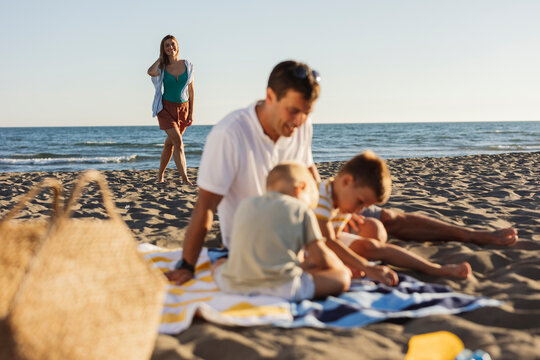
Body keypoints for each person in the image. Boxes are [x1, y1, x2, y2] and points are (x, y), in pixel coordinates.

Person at [314, 151, 472, 280]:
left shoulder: (344, 200)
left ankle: (434, 269)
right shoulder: (320, 197)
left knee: (371, 246)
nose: (359, 210)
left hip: (321, 246)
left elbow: (333, 239)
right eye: (360, 202)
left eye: (364, 206)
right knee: (343, 274)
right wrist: (363, 265)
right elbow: (326, 242)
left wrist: (353, 263)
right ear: (347, 181)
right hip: (302, 248)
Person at [211, 162, 351, 301]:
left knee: (219, 263)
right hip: (281, 287)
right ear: (301, 188)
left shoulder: (246, 204)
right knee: (342, 278)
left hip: (232, 284)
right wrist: (341, 268)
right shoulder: (301, 210)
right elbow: (321, 256)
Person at [147, 34, 194, 185]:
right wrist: (161, 58)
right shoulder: (162, 67)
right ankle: (185, 179)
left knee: (170, 144)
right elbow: (150, 71)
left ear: (177, 46)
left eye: (172, 44)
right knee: (178, 142)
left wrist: (191, 113)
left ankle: (160, 175)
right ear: (163, 49)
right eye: (166, 45)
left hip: (183, 109)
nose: (170, 47)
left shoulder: (187, 65)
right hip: (165, 109)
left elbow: (191, 91)